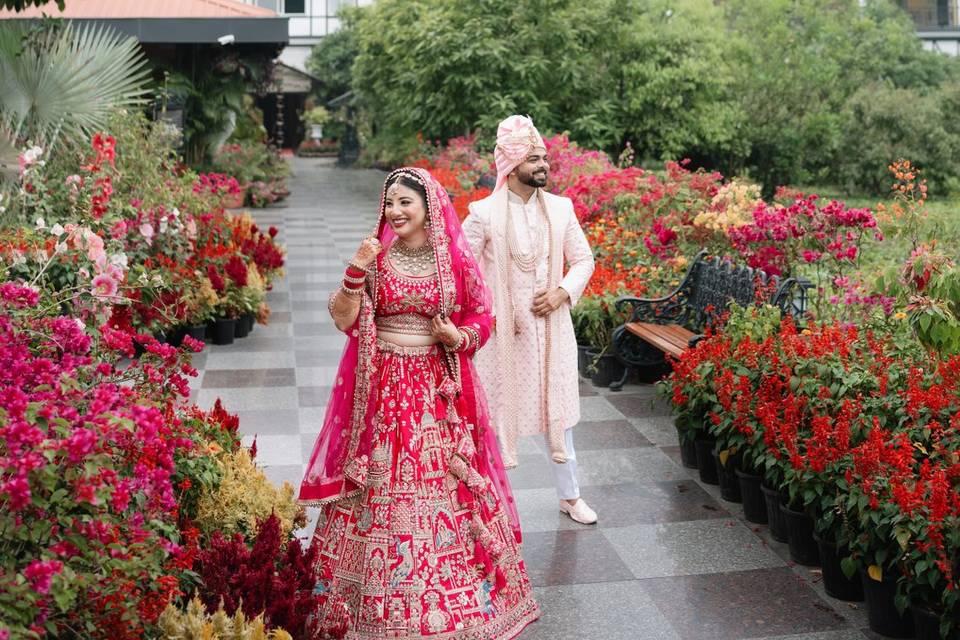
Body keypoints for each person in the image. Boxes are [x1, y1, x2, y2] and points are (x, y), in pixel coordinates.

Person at [299, 167, 540, 639]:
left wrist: (459, 334)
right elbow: (343, 320)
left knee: (440, 483)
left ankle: (455, 598)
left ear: (428, 207)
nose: (395, 211)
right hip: (385, 388)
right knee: (380, 481)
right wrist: (355, 270)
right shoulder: (377, 257)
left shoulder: (452, 259)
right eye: (390, 203)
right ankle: (365, 605)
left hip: (435, 392)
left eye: (405, 202)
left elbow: (482, 314)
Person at [462, 115, 598, 525]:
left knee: (560, 412)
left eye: (544, 158)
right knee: (495, 416)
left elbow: (584, 260)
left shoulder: (560, 208)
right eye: (534, 158)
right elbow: (463, 269)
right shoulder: (483, 214)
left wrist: (561, 292)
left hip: (553, 330)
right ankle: (490, 504)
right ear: (512, 164)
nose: (544, 165)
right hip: (505, 335)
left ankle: (570, 496)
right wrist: (492, 310)